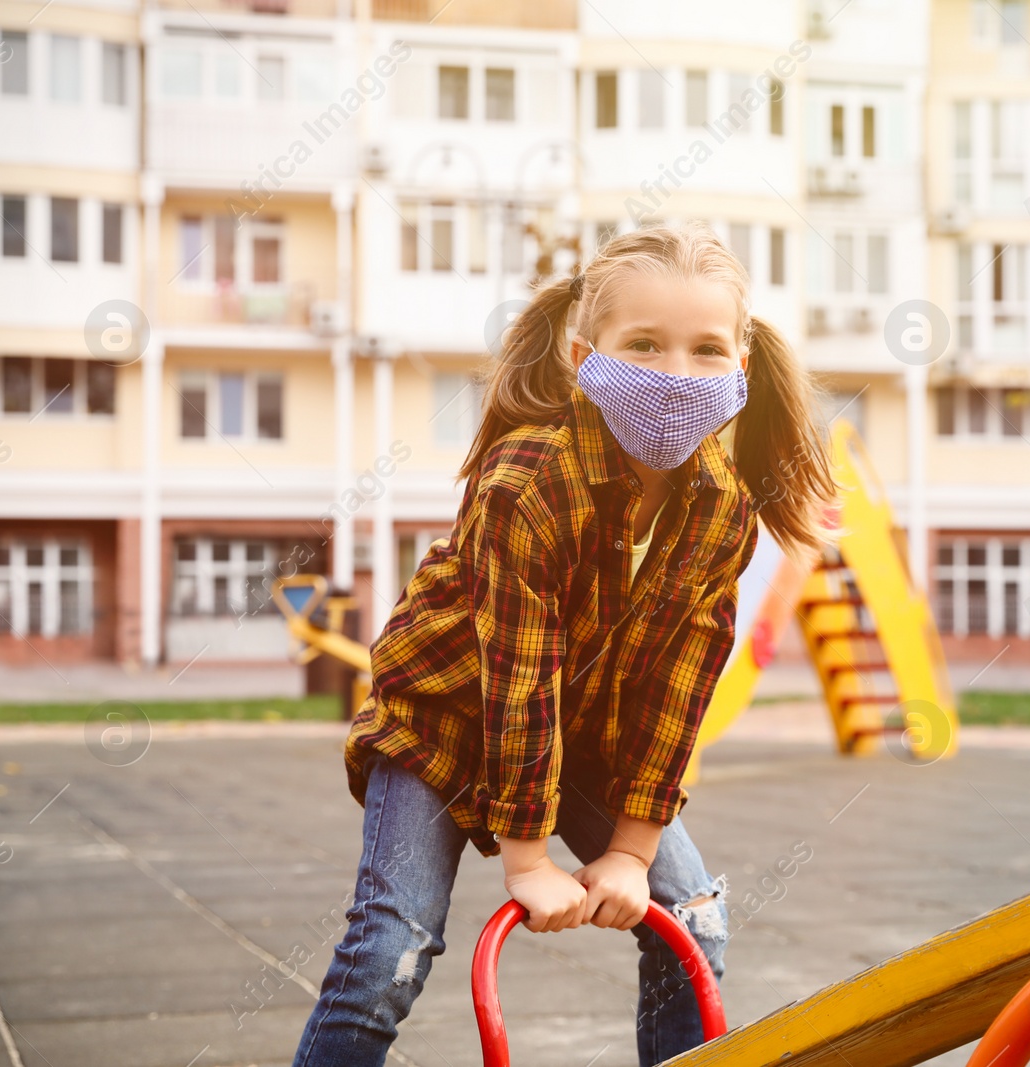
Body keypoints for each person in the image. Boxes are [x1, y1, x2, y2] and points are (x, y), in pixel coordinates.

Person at [292, 223, 838, 1067]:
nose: (674, 374)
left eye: (705, 349)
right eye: (645, 345)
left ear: (742, 368)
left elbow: (683, 684)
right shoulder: (529, 481)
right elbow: (521, 679)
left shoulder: (725, 507)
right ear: (586, 354)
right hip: (445, 720)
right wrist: (528, 862)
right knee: (387, 954)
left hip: (583, 736)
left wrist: (632, 850)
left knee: (690, 917)